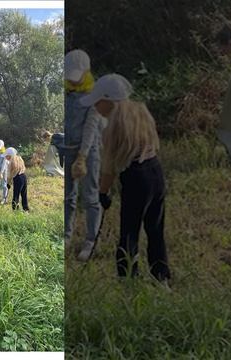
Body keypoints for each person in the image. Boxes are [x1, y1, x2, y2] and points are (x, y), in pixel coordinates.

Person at [79, 73, 171, 283]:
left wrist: (102, 194)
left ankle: (127, 279)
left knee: (128, 232)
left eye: (97, 102)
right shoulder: (141, 111)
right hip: (155, 173)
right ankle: (161, 278)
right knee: (155, 229)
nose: (95, 107)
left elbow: (109, 168)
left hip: (136, 179)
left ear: (108, 101)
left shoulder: (113, 126)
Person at [63, 49, 105, 262]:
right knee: (68, 196)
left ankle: (91, 240)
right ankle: (66, 236)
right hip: (68, 150)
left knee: (90, 197)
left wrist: (82, 156)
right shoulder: (66, 94)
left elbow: (90, 127)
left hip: (88, 152)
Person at [5, 147, 29, 212]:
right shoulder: (20, 158)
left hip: (18, 178)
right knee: (24, 194)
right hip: (24, 176)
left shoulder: (11, 162)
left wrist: (8, 183)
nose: (6, 157)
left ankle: (15, 210)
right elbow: (23, 168)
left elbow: (10, 174)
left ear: (10, 155)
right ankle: (26, 209)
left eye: (6, 156)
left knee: (16, 195)